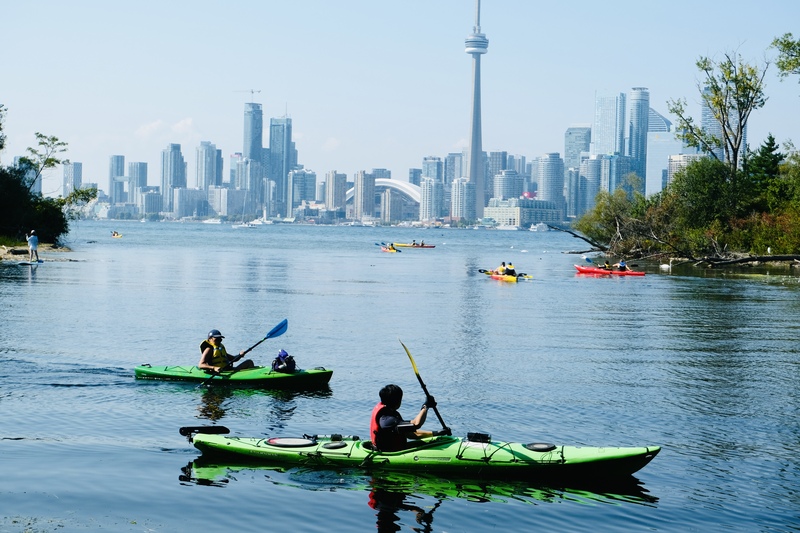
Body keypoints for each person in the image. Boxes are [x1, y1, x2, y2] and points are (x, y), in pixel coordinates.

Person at [370, 384, 450, 452]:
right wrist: (425, 406)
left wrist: (436, 433)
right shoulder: (387, 420)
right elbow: (416, 424)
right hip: (389, 453)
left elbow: (410, 433)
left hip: (396, 449)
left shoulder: (390, 413)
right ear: (397, 401)